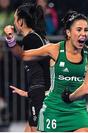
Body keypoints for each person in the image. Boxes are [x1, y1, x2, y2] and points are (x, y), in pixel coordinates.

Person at [6, 10, 88, 132]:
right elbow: (23, 55)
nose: (83, 34)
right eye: (79, 30)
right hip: (54, 110)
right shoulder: (54, 50)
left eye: (86, 30)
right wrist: (10, 39)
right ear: (68, 32)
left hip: (78, 111)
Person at [3, 2, 50, 132]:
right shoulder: (35, 37)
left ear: (21, 21)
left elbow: (21, 55)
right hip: (38, 91)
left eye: (15, 18)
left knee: (35, 130)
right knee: (28, 130)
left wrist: (10, 38)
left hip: (40, 92)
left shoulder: (31, 39)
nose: (13, 22)